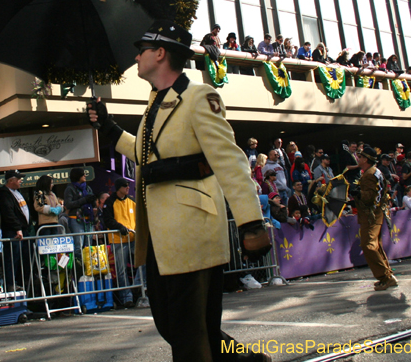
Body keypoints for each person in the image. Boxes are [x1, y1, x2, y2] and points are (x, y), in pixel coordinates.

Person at [88, 20, 271, 362]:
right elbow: (146, 156)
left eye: (141, 51)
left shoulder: (200, 96)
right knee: (173, 324)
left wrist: (251, 222)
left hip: (192, 228)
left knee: (188, 332)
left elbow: (230, 160)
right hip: (161, 236)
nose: (137, 57)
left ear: (160, 53)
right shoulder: (155, 106)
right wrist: (108, 126)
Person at [351, 146, 397, 291]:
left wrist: (357, 194)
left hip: (370, 214)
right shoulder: (376, 172)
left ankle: (386, 277)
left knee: (368, 245)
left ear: (365, 159)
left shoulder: (369, 174)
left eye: (360, 157)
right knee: (376, 245)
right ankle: (387, 274)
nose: (358, 159)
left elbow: (370, 197)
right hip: (378, 212)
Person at [103, 179, 144, 307]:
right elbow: (107, 219)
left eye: (128, 185)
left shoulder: (132, 200)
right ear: (118, 188)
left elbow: (140, 216)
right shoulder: (110, 202)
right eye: (125, 186)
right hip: (118, 240)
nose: (127, 188)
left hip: (133, 238)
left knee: (144, 261)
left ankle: (138, 285)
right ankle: (127, 297)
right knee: (121, 270)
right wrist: (119, 227)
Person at [64, 167, 97, 261]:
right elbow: (68, 204)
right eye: (82, 174)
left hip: (88, 219)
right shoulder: (70, 188)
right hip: (76, 219)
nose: (85, 176)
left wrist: (93, 200)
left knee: (88, 245)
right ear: (77, 176)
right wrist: (84, 200)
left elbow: (92, 203)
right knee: (78, 245)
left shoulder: (87, 187)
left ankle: (89, 268)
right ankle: (79, 269)